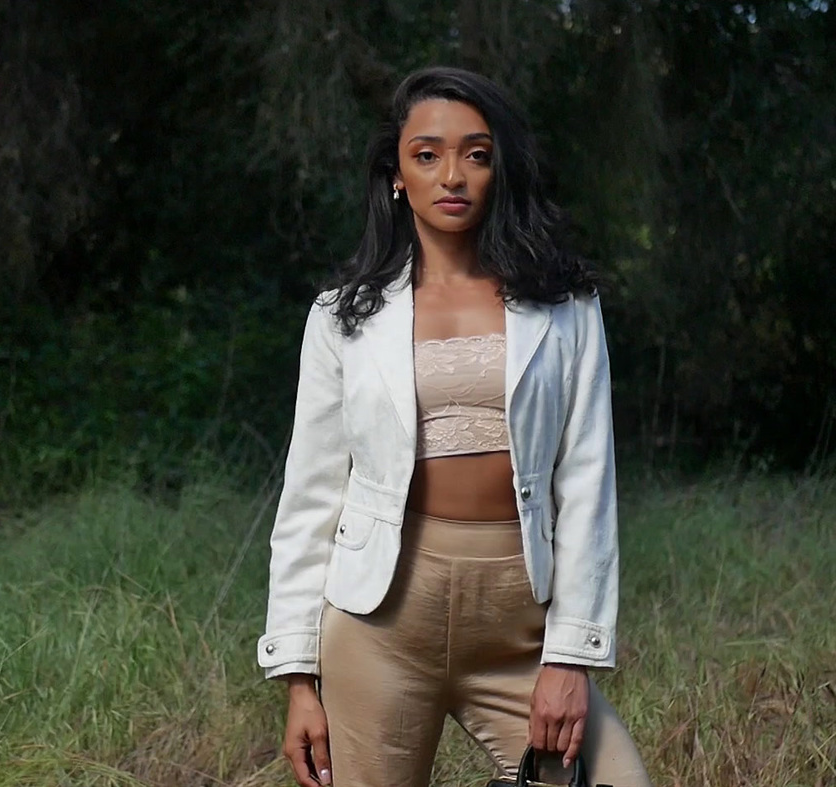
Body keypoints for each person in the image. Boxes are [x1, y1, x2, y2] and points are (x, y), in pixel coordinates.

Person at [257, 66, 652, 787]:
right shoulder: (342, 318)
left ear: (500, 167)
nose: (454, 175)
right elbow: (309, 499)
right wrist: (297, 675)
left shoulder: (565, 306)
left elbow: (587, 480)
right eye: (428, 154)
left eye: (476, 153)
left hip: (519, 628)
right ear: (397, 175)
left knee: (616, 779)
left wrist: (569, 657)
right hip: (380, 624)